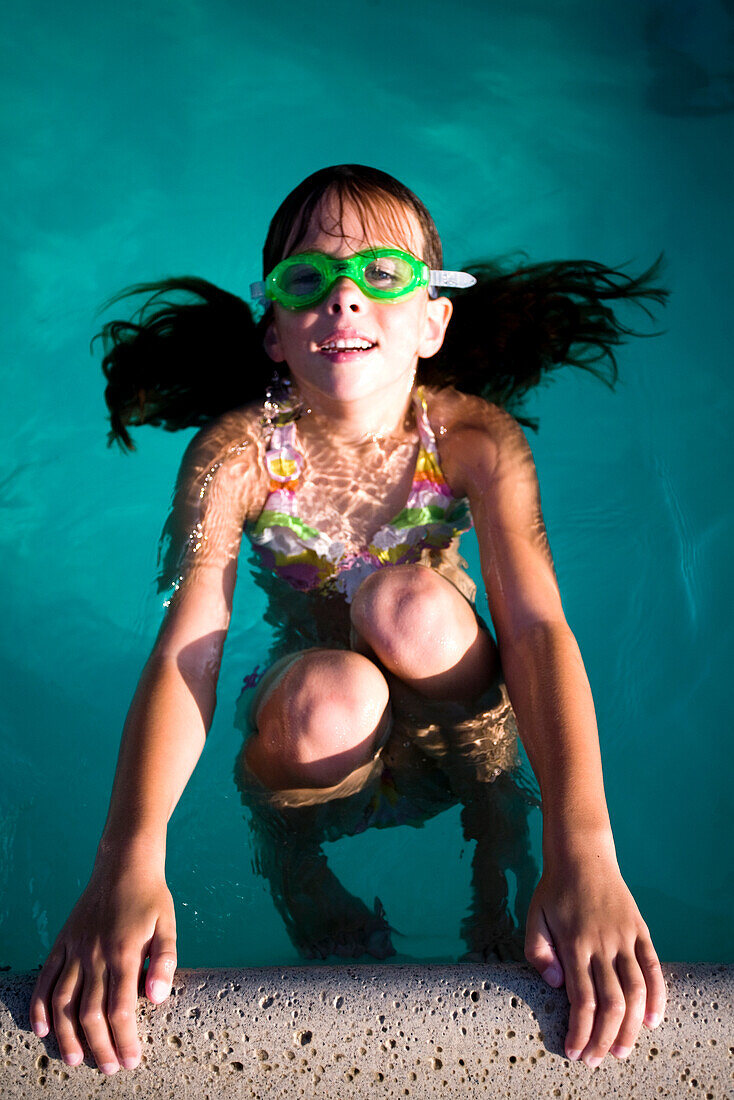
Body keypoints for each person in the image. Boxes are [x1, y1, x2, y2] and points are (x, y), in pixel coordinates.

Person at [29, 164, 668, 1075]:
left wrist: (589, 850)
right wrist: (128, 858)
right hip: (316, 737)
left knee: (407, 602)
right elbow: (192, 641)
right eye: (308, 282)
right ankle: (294, 861)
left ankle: (506, 833)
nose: (344, 300)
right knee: (333, 686)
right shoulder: (239, 455)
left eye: (382, 277)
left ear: (433, 320)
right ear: (276, 334)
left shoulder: (475, 442)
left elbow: (536, 632)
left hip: (455, 704)